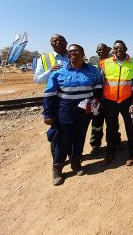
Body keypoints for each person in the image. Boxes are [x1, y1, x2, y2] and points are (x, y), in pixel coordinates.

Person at [43, 44, 102, 186]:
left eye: (76, 51)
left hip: (84, 111)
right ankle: (57, 168)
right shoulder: (59, 71)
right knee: (64, 139)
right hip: (65, 110)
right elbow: (49, 94)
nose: (72, 53)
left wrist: (95, 100)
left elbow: (98, 87)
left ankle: (76, 163)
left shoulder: (92, 70)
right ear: (67, 55)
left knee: (80, 137)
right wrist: (48, 114)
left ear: (83, 53)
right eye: (70, 52)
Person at [100, 40, 133, 166]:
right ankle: (110, 152)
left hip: (127, 101)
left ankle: (132, 153)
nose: (119, 50)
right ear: (113, 49)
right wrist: (101, 100)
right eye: (116, 48)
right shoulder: (104, 63)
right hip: (109, 102)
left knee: (131, 127)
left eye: (122, 48)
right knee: (111, 128)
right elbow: (101, 83)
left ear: (126, 48)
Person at [34, 34, 69, 158]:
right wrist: (50, 71)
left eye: (60, 40)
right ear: (51, 44)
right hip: (54, 99)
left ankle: (74, 156)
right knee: (56, 130)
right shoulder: (44, 58)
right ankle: (57, 158)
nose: (58, 42)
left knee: (72, 128)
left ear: (66, 42)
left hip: (71, 99)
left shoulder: (73, 55)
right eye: (54, 41)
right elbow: (38, 79)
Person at [88, 43, 111, 157]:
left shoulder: (113, 62)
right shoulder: (92, 63)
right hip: (96, 99)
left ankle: (113, 142)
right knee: (96, 123)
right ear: (97, 52)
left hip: (109, 98)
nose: (101, 52)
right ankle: (95, 145)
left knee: (112, 122)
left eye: (103, 50)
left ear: (108, 50)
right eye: (99, 50)